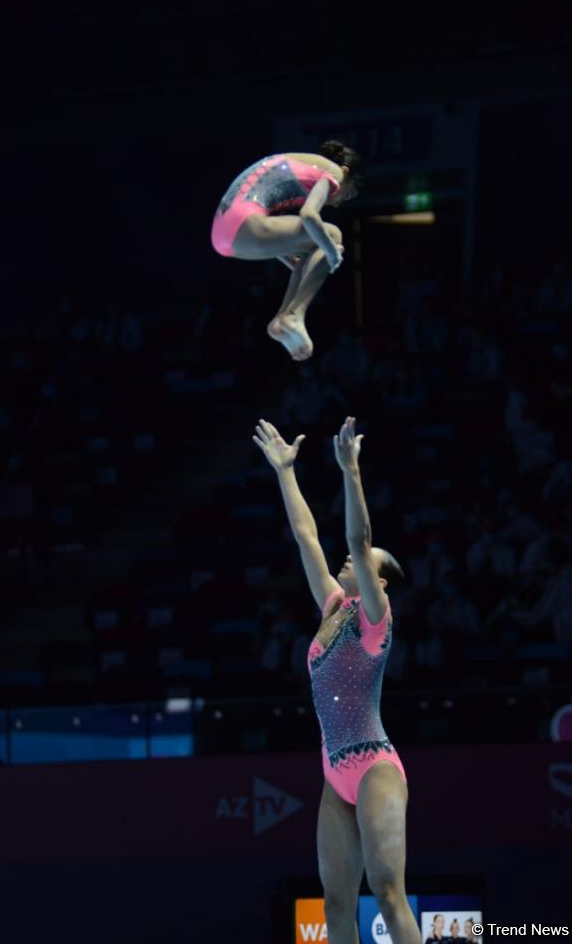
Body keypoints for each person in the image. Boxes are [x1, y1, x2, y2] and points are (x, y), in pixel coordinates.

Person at [253, 416, 420, 944]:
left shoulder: (374, 619)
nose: (352, 558)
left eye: (367, 562)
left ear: (382, 582)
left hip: (373, 765)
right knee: (336, 905)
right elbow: (307, 537)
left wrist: (351, 471)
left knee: (389, 894)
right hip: (334, 774)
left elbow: (357, 533)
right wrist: (285, 472)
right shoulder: (333, 607)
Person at [212, 142, 360, 360]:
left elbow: (269, 222)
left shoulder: (304, 170)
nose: (337, 203)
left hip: (224, 236)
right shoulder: (334, 172)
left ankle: (283, 321)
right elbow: (309, 215)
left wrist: (295, 261)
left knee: (306, 257)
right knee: (332, 235)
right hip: (244, 223)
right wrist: (331, 252)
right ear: (346, 172)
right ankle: (294, 315)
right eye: (345, 196)